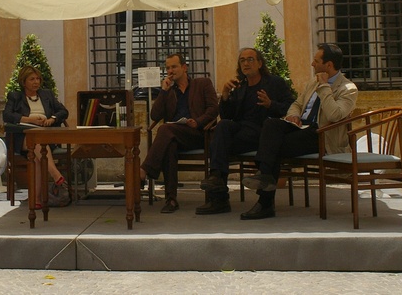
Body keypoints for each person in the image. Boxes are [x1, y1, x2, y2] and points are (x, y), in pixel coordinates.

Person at [241, 43, 358, 220]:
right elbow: (296, 104)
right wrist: (293, 116)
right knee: (271, 124)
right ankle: (264, 176)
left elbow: (335, 115)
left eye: (316, 61)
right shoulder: (313, 82)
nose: (312, 64)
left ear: (328, 65)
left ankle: (265, 202)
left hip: (321, 136)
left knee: (273, 148)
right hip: (300, 128)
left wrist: (325, 87)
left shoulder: (348, 89)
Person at [196, 48, 294, 215]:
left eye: (250, 59)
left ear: (260, 63)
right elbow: (227, 116)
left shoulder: (275, 83)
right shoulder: (240, 86)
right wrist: (225, 96)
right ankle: (217, 184)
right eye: (242, 60)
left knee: (220, 144)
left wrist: (271, 104)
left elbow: (291, 107)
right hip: (243, 132)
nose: (246, 63)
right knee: (223, 127)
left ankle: (221, 195)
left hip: (265, 134)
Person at [140, 53, 219, 214]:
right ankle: (171, 199)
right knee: (170, 145)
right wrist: (163, 91)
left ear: (184, 67)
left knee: (165, 130)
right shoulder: (169, 91)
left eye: (174, 66)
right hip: (176, 135)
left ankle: (144, 171)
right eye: (167, 68)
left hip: (199, 134)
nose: (170, 70)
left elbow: (213, 109)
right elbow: (155, 116)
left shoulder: (202, 84)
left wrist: (198, 121)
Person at [3, 65, 70, 208]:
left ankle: (36, 200)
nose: (36, 82)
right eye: (32, 79)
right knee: (37, 144)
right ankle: (55, 174)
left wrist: (52, 119)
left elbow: (63, 112)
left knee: (37, 156)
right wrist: (30, 120)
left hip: (45, 137)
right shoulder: (15, 96)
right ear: (24, 81)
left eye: (38, 79)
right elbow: (7, 116)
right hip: (22, 138)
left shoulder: (47, 95)